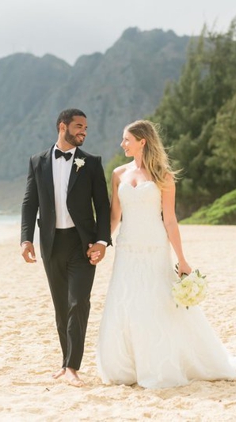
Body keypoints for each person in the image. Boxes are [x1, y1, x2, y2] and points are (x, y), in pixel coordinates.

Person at [96, 119, 236, 389]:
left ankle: (160, 363)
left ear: (142, 141)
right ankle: (127, 366)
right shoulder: (118, 174)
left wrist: (182, 260)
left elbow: (170, 220)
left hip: (155, 248)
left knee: (156, 302)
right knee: (125, 301)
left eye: (126, 139)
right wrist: (102, 242)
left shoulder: (164, 176)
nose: (122, 144)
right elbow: (115, 216)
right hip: (126, 248)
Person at [21, 108, 111, 387]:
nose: (84, 131)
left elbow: (103, 206)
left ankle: (73, 366)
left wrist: (102, 240)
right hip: (51, 243)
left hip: (81, 244)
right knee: (61, 306)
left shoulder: (92, 163)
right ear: (63, 126)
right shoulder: (38, 161)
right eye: (79, 126)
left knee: (78, 303)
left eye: (86, 127)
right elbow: (29, 202)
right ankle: (65, 363)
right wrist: (26, 239)